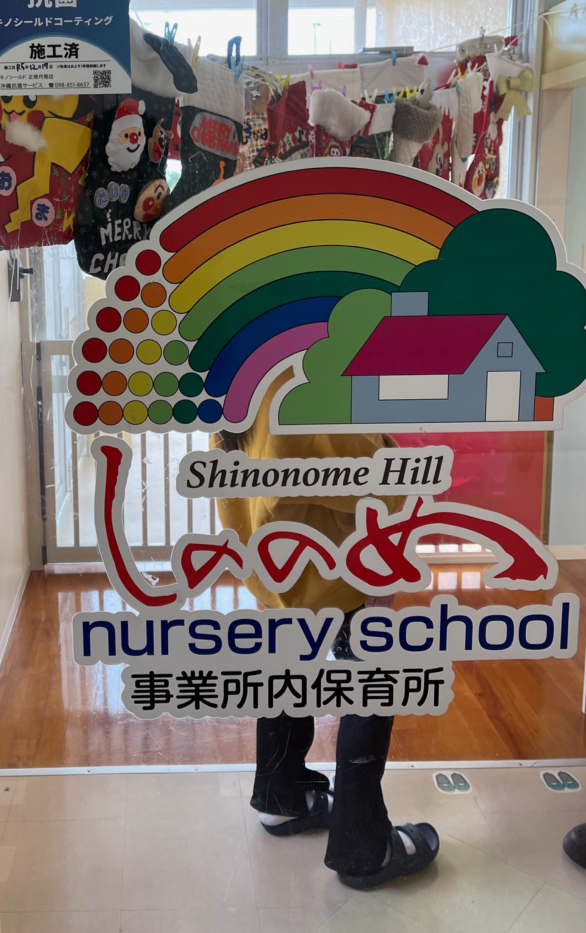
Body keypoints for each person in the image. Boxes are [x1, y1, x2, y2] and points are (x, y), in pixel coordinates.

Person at [215, 369, 440, 889]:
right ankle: (365, 850)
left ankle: (282, 798)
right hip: (334, 566)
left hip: (276, 559)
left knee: (288, 665)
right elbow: (373, 483)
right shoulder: (305, 375)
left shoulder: (246, 362)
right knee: (372, 683)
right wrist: (381, 563)